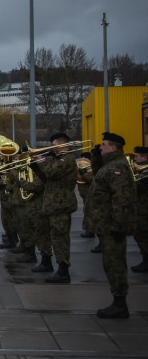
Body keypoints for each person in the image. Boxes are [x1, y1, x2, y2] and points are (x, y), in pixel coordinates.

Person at [87, 132, 137, 318]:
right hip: (106, 224)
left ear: (113, 147)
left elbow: (121, 200)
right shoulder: (110, 165)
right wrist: (95, 156)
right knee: (110, 263)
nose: (101, 147)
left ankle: (120, 304)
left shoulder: (118, 168)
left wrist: (118, 226)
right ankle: (117, 301)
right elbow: (98, 173)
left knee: (115, 264)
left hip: (112, 226)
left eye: (104, 145)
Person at [30, 132, 79, 283]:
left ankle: (63, 271)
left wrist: (42, 161)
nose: (52, 147)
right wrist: (36, 167)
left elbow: (52, 172)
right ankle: (57, 267)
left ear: (60, 143)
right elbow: (47, 178)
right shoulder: (59, 158)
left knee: (60, 238)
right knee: (55, 237)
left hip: (61, 204)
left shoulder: (67, 158)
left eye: (53, 144)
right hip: (53, 204)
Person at [130, 146, 148, 273]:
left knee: (143, 236)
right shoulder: (139, 170)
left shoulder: (144, 172)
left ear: (144, 157)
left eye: (137, 156)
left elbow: (137, 189)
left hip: (144, 210)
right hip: (140, 209)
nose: (135, 158)